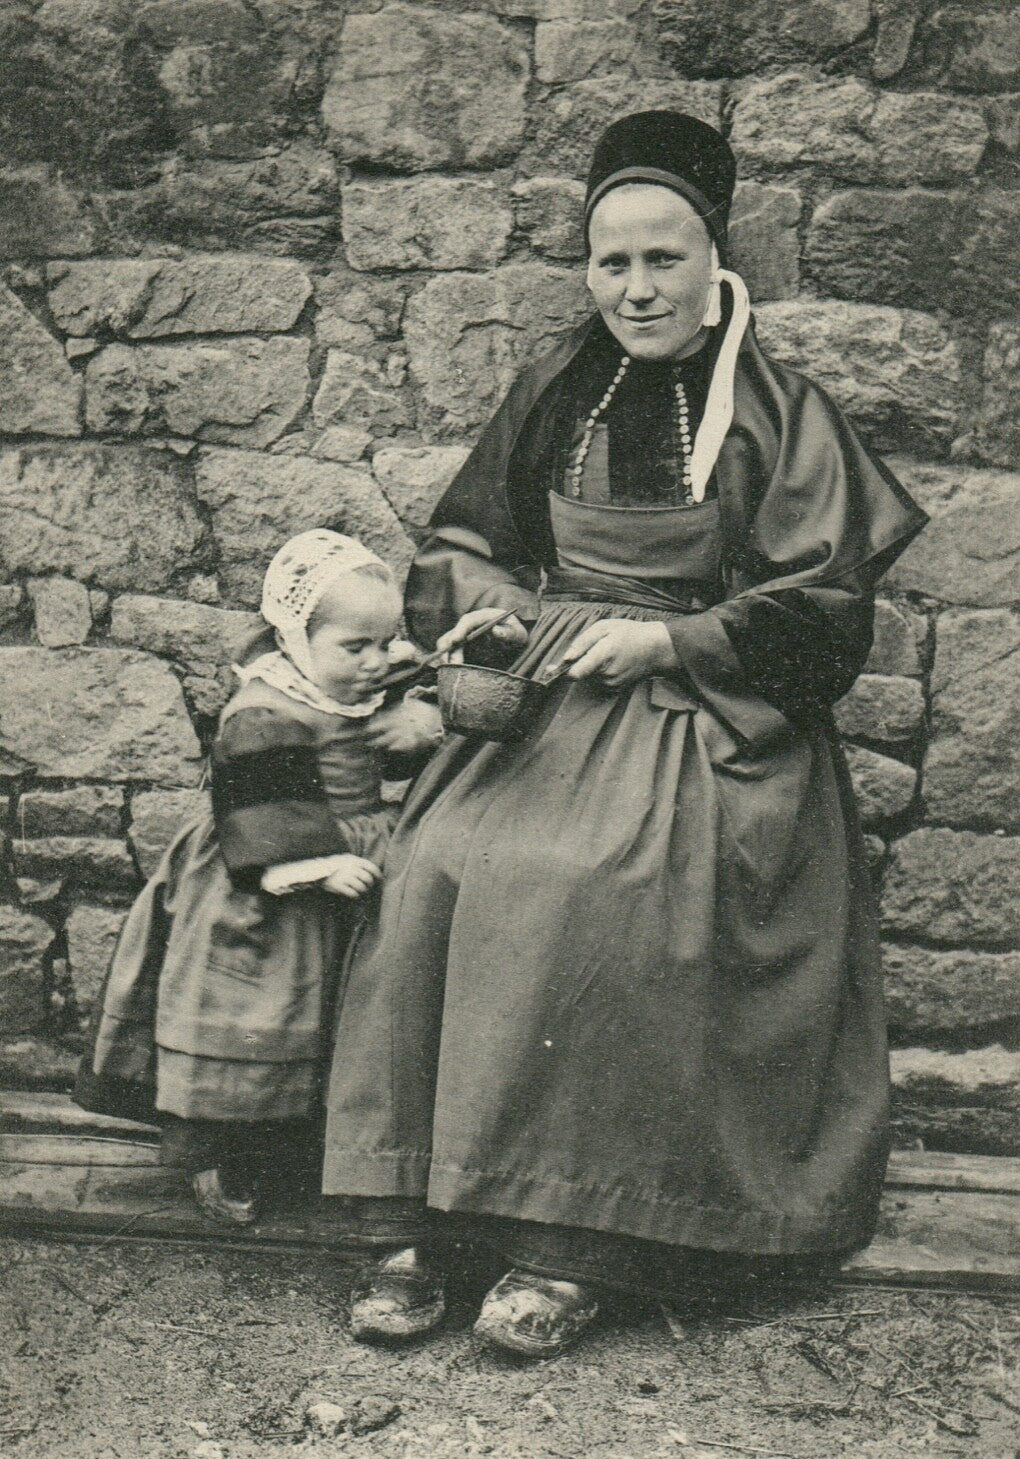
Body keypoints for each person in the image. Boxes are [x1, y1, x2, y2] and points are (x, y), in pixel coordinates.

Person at [321, 112, 928, 1354]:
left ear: (718, 254)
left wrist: (676, 642)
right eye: (612, 263)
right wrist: (491, 623)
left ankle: (575, 1242)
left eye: (665, 259)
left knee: (603, 891)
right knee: (437, 869)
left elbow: (823, 605)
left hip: (708, 719)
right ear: (586, 268)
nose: (637, 289)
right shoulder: (557, 380)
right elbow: (467, 544)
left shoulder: (777, 406)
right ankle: (415, 1214)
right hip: (548, 698)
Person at [75, 530, 443, 1225]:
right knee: (259, 1016)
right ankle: (226, 1152)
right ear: (298, 638)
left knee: (335, 1014)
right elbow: (262, 813)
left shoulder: (350, 683)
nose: (376, 662)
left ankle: (314, 1148)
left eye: (384, 642)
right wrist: (311, 865)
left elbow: (386, 721)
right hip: (270, 874)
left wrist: (419, 717)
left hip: (351, 853)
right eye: (355, 647)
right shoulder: (267, 710)